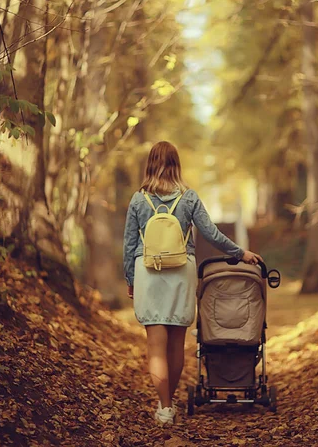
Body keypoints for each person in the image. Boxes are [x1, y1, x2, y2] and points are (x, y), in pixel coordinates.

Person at [123, 141, 262, 425]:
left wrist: (130, 278)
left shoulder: (138, 199)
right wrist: (240, 253)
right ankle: (168, 404)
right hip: (180, 272)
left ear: (150, 163)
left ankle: (165, 407)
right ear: (177, 164)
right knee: (176, 344)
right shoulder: (189, 197)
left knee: (156, 346)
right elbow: (211, 233)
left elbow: (129, 244)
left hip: (148, 272)